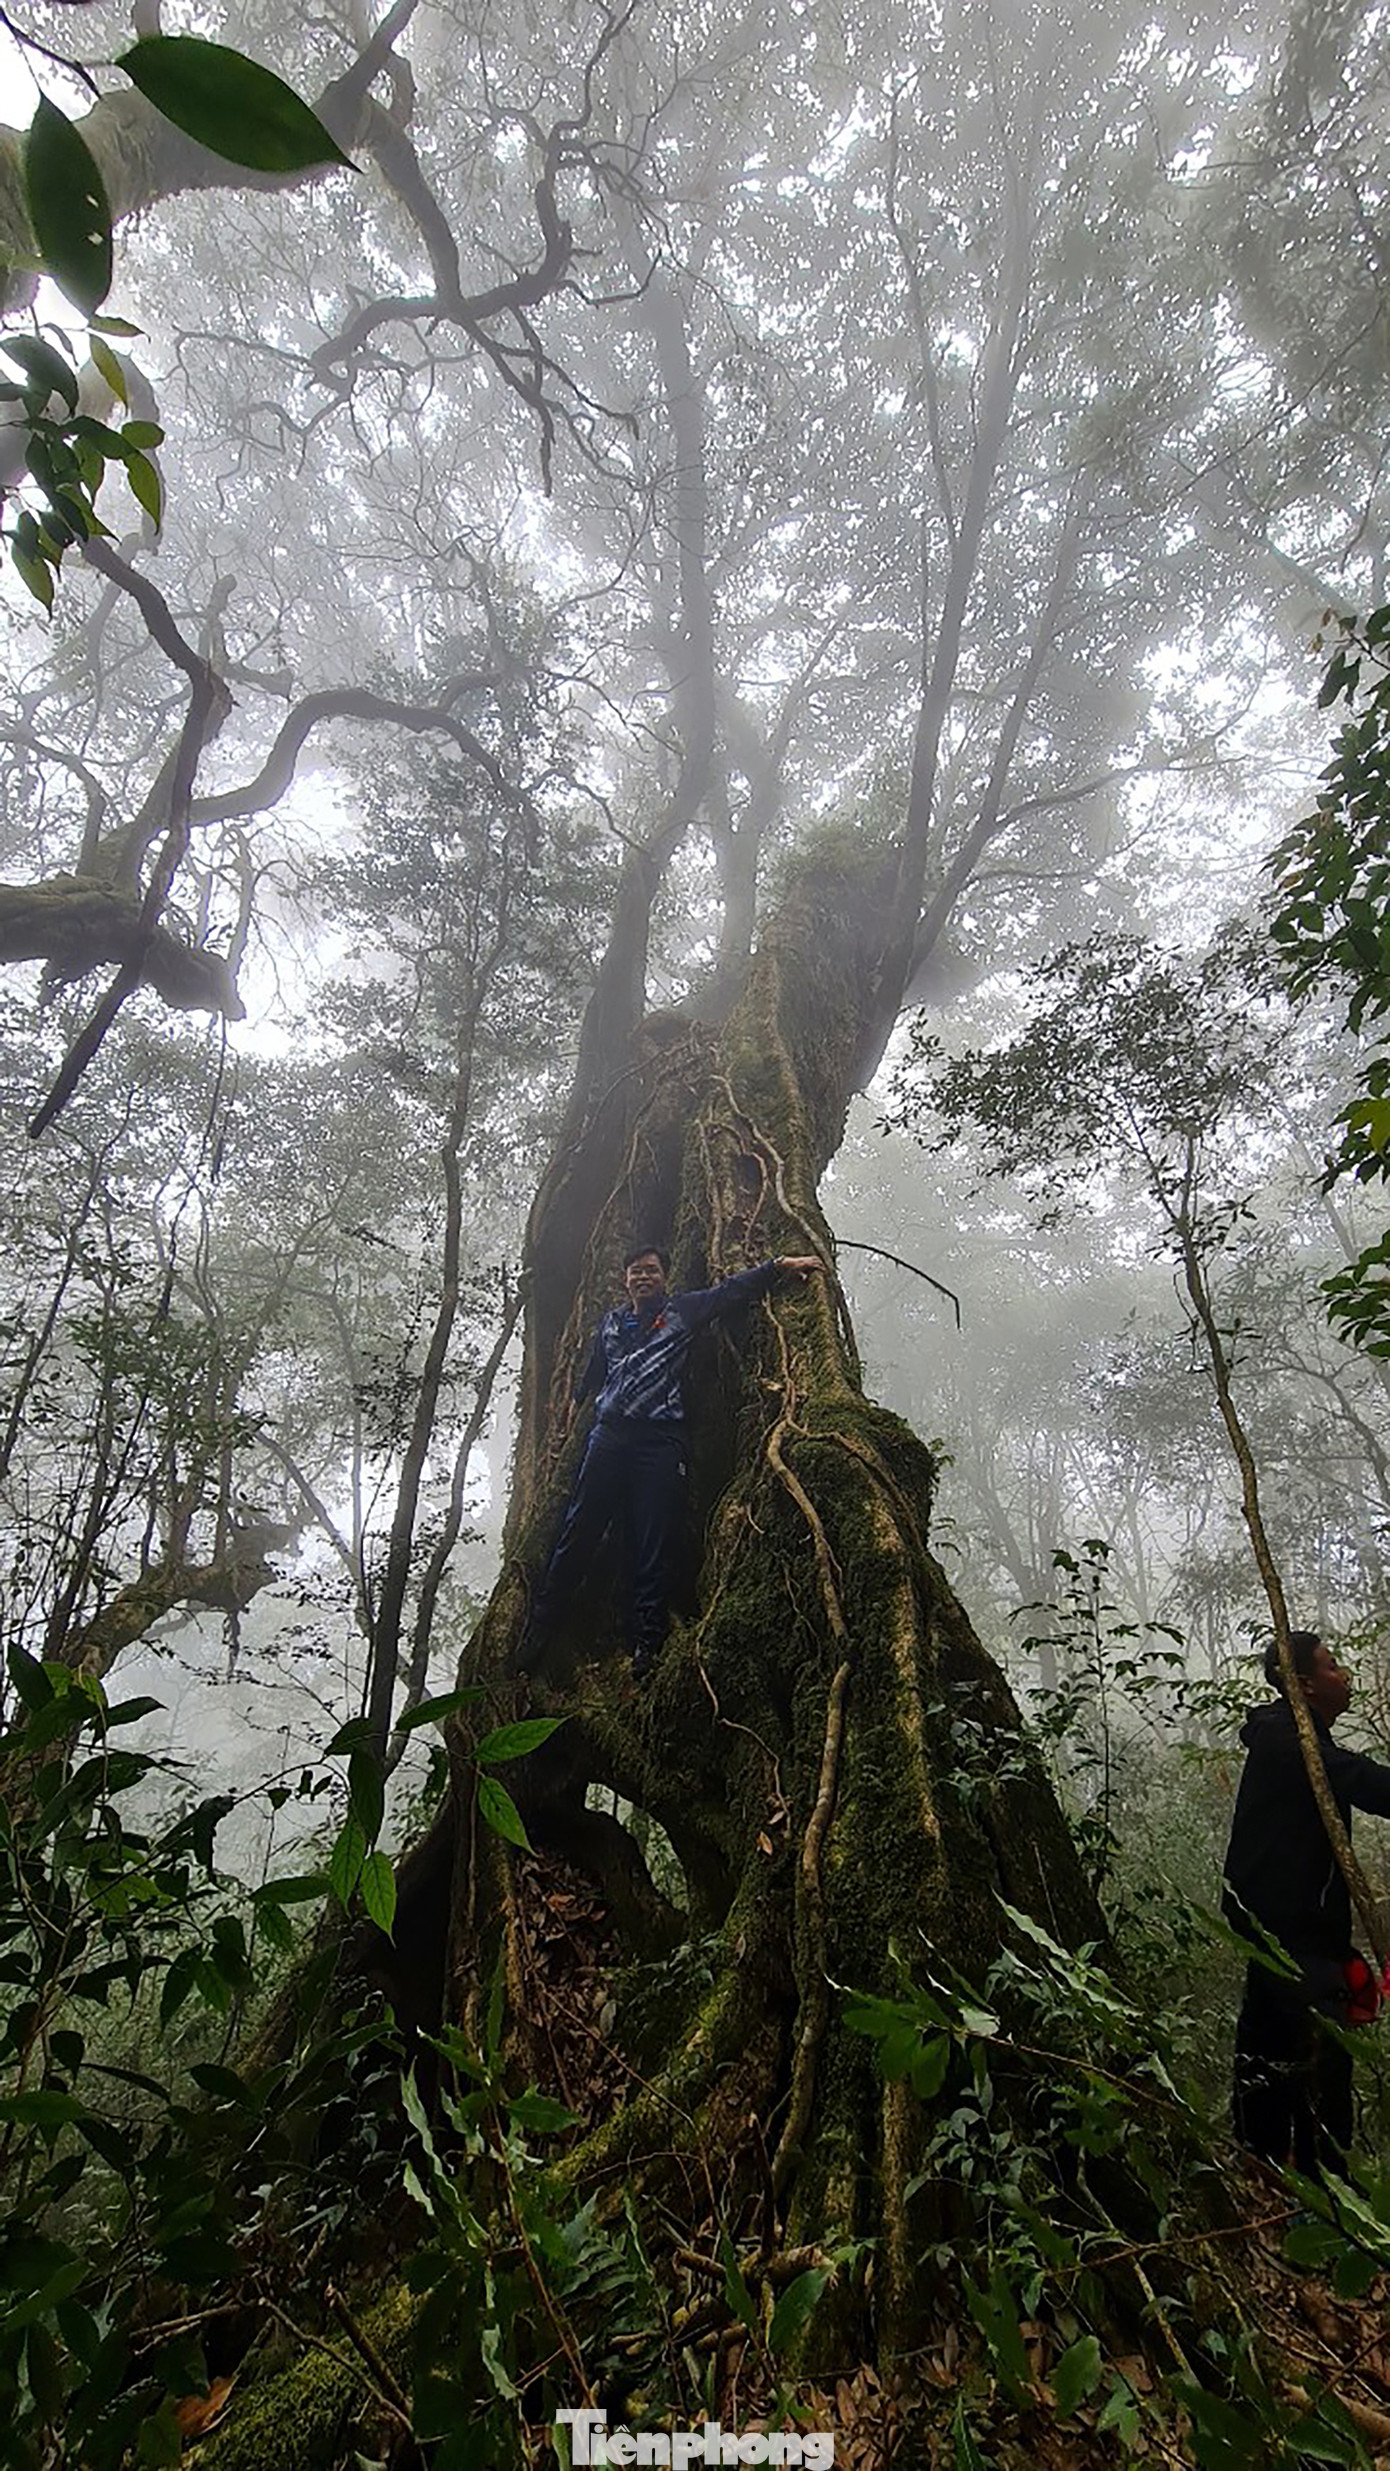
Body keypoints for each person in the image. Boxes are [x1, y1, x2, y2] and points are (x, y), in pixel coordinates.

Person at [522, 1244, 822, 1680]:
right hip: (608, 1438)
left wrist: (777, 1267)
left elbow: (730, 1292)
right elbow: (592, 1376)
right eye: (635, 1272)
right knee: (578, 1529)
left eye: (650, 1271)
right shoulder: (610, 1323)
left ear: (664, 1277)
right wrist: (570, 1410)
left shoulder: (682, 1311)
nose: (642, 1277)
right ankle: (541, 1628)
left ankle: (648, 1643)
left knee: (653, 1539)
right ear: (625, 1281)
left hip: (660, 1443)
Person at [1222, 1630, 1390, 2176]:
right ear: (1305, 1686)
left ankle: (1266, 2171)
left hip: (1287, 1930)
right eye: (1332, 1666)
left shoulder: (1295, 1740)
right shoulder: (1287, 1740)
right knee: (1320, 2061)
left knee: (1270, 2049)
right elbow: (1360, 1780)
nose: (1343, 1676)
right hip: (1290, 1932)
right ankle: (1318, 2194)